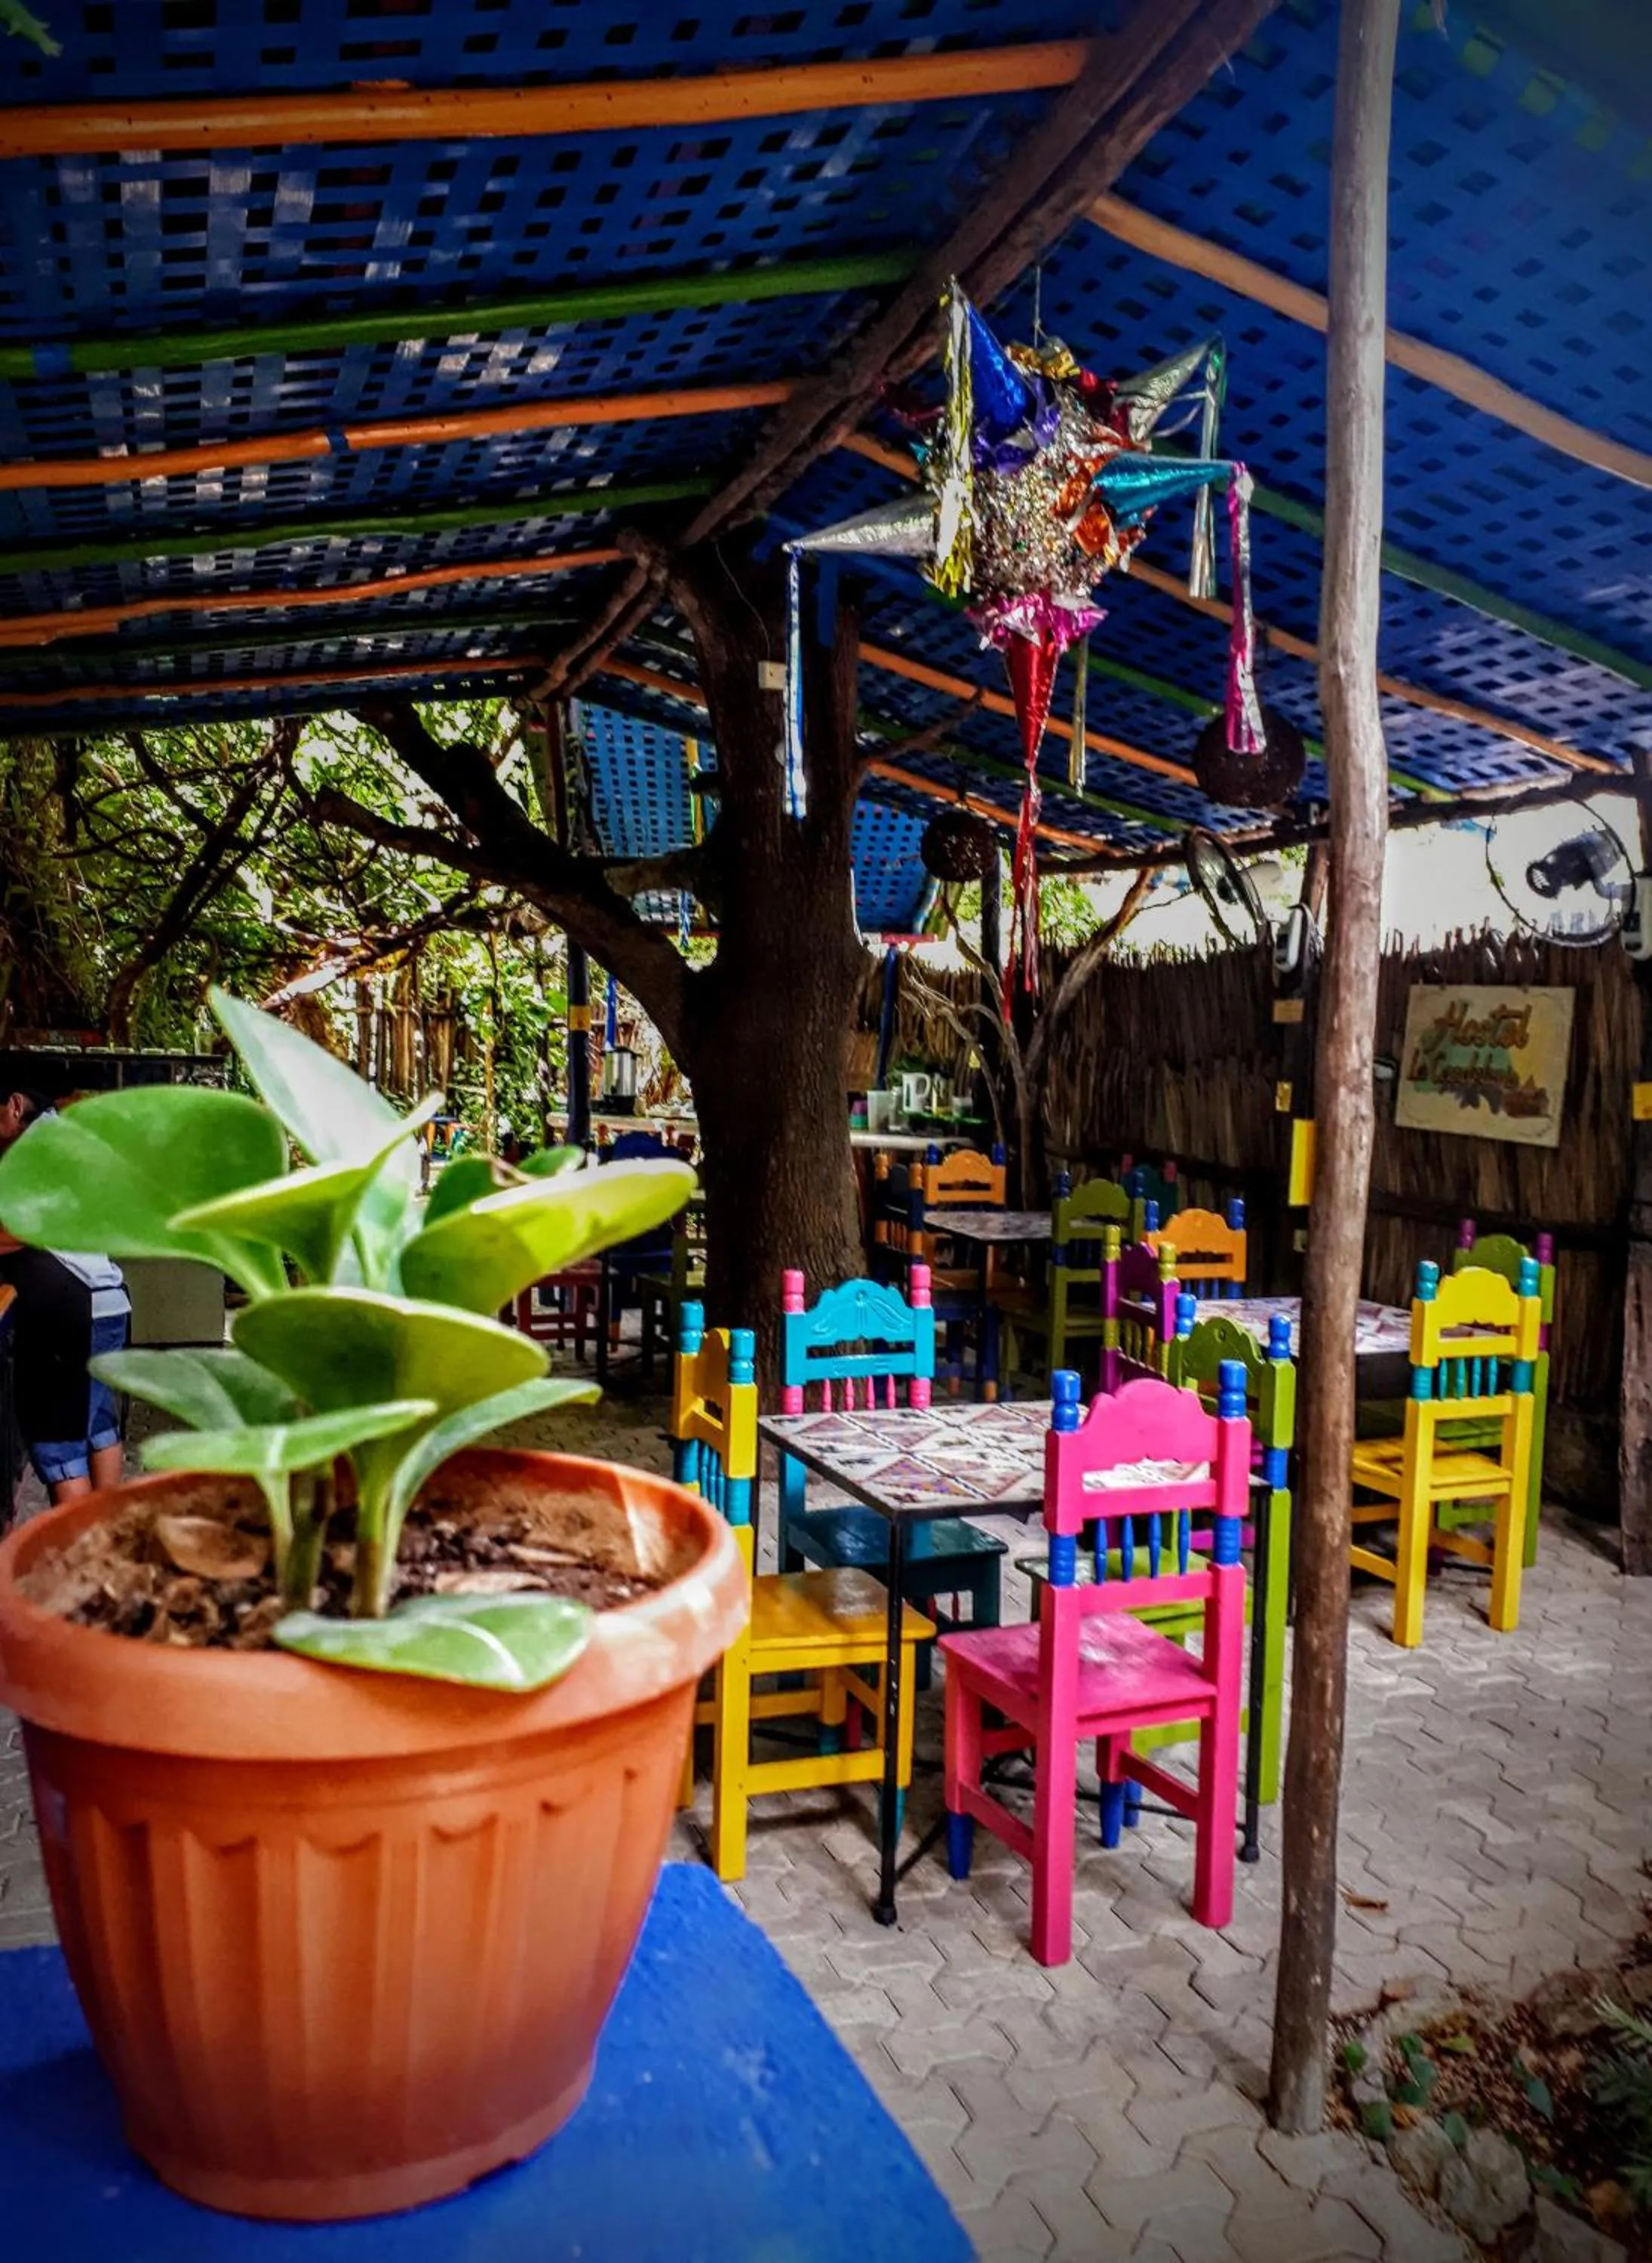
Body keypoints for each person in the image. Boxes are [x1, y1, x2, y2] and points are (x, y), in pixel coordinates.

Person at [0, 1085, 131, 1502]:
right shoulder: (62, 1139)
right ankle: (109, 1535)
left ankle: (81, 1552)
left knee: (60, 1449)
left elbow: (16, 1229)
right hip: (108, 1302)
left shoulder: (37, 1148)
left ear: (14, 1105)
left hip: (72, 1311)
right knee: (97, 1428)